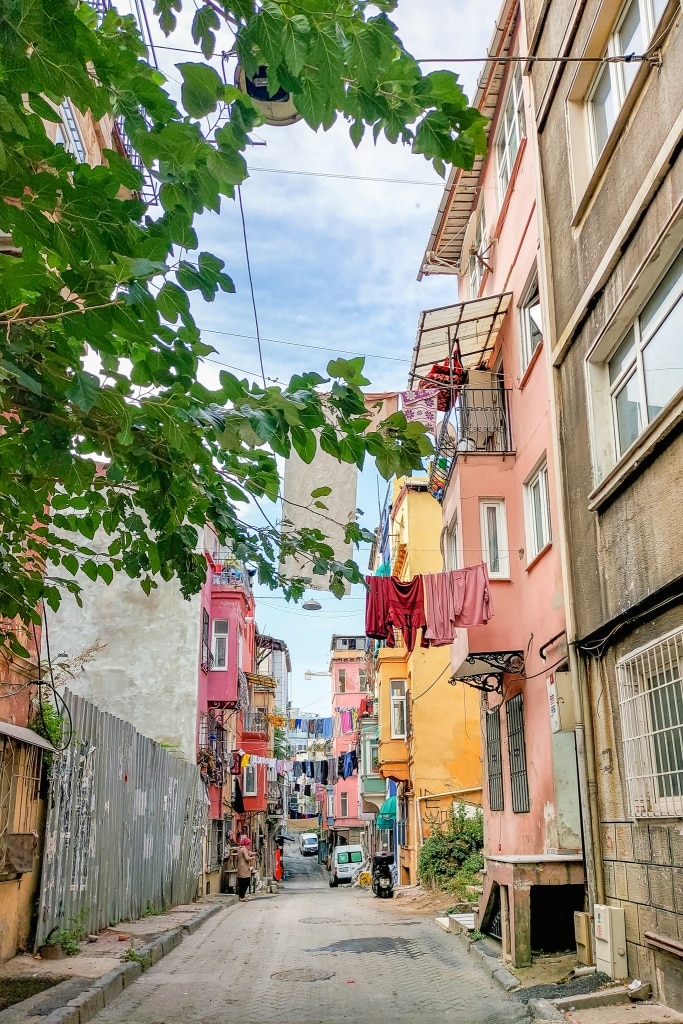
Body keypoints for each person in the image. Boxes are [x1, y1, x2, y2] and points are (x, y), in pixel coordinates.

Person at [236, 835, 256, 902]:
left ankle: (241, 896)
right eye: (248, 845)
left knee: (241, 883)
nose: (249, 846)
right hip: (243, 868)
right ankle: (242, 897)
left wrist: (250, 853)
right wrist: (252, 858)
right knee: (245, 882)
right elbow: (247, 858)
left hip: (240, 868)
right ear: (246, 844)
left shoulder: (240, 848)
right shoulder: (244, 849)